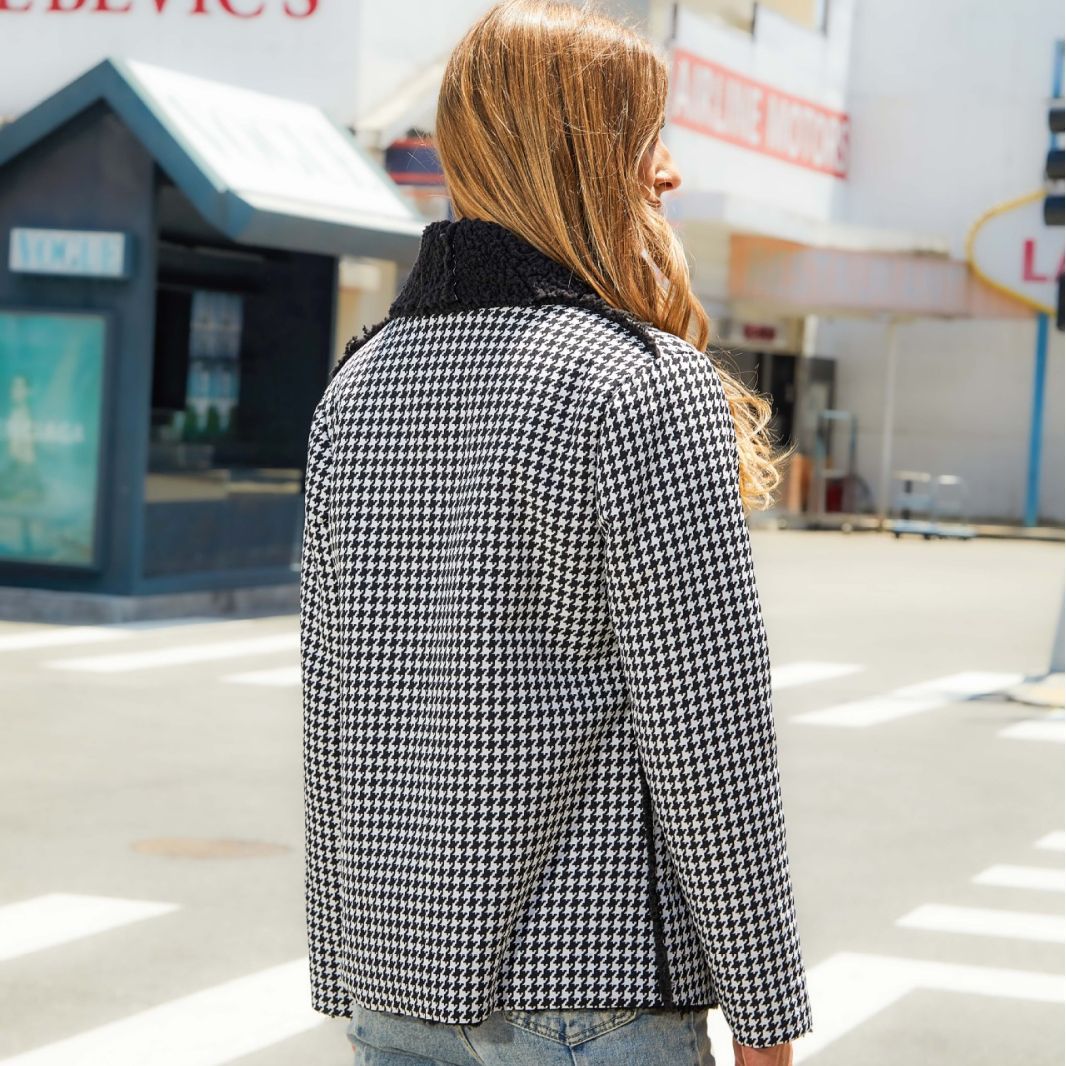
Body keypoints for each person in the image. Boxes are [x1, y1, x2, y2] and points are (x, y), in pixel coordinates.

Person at [299, 2, 814, 1063]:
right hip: (595, 991)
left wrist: (342, 961)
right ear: (580, 156)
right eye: (647, 137)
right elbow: (710, 733)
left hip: (397, 985)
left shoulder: (357, 384)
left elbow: (333, 709)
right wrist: (766, 1016)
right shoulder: (636, 383)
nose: (667, 172)